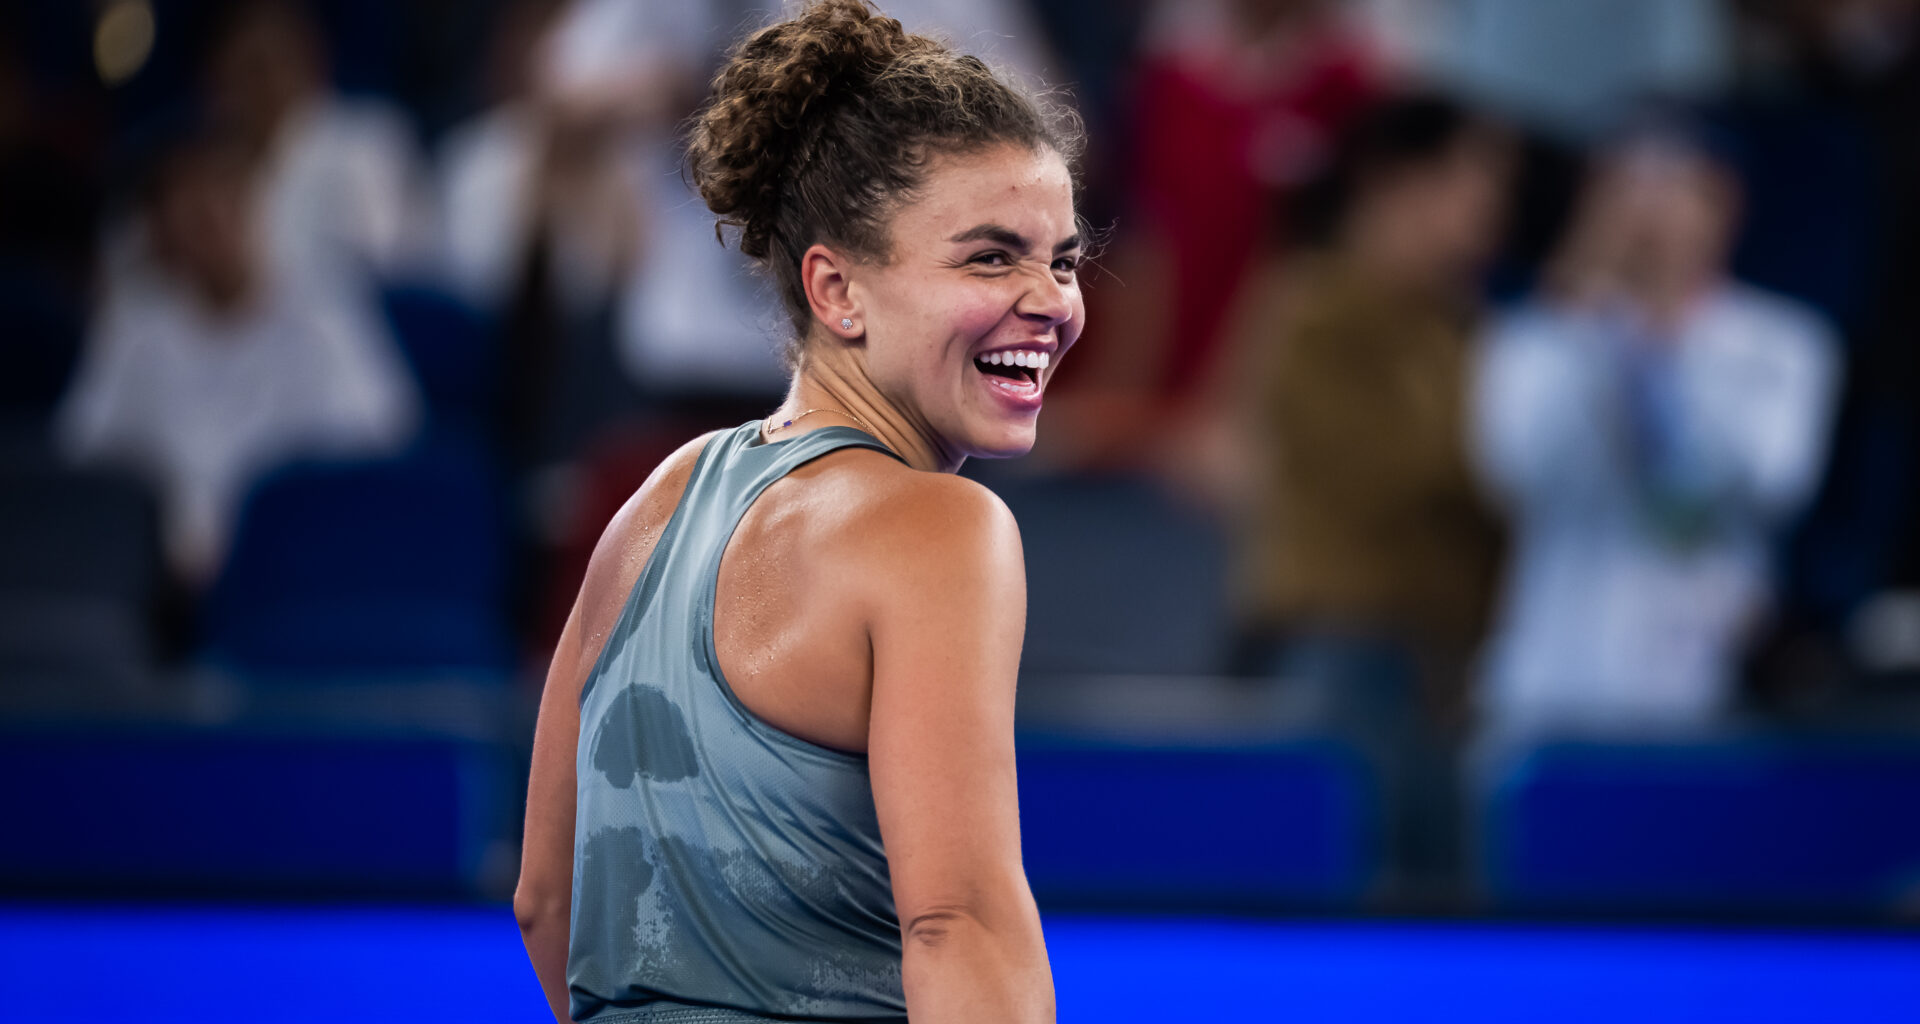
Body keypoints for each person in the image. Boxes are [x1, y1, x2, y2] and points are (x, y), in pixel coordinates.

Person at [512, 2, 1081, 1022]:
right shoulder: (945, 529)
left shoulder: (653, 501)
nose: (1051, 299)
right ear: (838, 290)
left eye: (1063, 258)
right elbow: (962, 929)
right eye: (991, 257)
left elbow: (544, 899)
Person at [1471, 118, 1842, 732]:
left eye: (1670, 192)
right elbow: (1517, 469)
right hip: (1560, 680)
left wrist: (1667, 342)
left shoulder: (1784, 345)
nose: (1646, 220)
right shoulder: (1538, 339)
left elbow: (1769, 482)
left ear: (1722, 207)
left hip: (1712, 680)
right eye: (1623, 193)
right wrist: (1584, 325)